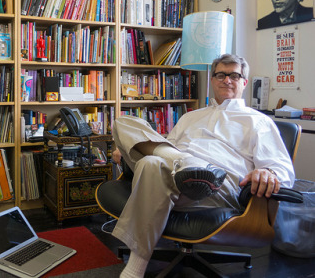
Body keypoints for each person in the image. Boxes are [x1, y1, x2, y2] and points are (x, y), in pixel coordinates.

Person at [111, 54, 295, 278]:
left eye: (234, 75)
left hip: (219, 185)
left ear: (244, 82)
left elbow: (283, 172)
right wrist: (134, 147)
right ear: (212, 80)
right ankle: (185, 164)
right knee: (126, 126)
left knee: (152, 163)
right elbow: (166, 146)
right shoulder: (191, 117)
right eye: (220, 74)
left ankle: (136, 268)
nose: (227, 80)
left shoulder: (258, 121)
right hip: (176, 176)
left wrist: (267, 173)